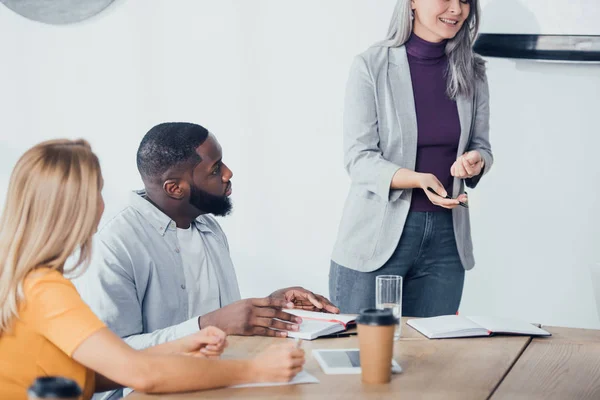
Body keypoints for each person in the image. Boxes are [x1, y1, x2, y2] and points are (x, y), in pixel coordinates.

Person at [0, 139, 305, 399]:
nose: (102, 205)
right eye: (98, 192)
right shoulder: (45, 290)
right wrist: (256, 369)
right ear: (75, 207)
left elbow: (94, 373)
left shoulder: (31, 281)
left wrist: (183, 345)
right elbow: (141, 374)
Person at [73, 123, 337, 397]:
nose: (228, 173)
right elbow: (110, 359)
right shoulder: (114, 244)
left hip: (217, 380)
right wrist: (208, 325)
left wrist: (271, 306)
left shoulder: (208, 227)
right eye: (215, 169)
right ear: (175, 188)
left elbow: (221, 320)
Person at [330, 0, 493, 316]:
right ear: (413, 2)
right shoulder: (371, 65)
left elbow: (481, 146)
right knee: (364, 357)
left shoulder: (473, 70)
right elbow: (359, 158)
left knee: (432, 360)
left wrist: (476, 161)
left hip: (447, 241)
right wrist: (417, 179)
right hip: (376, 237)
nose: (457, 9)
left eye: (464, 1)